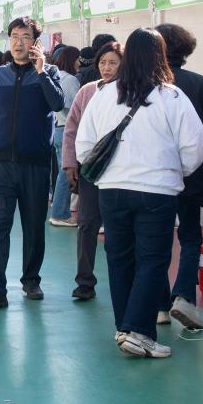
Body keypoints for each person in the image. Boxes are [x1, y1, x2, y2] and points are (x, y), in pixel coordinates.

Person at [75, 28, 203, 359]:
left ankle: (125, 328)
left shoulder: (104, 95)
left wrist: (109, 174)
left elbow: (84, 146)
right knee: (153, 260)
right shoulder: (172, 96)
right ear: (160, 56)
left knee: (119, 258)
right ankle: (140, 332)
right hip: (157, 192)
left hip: (112, 191)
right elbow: (195, 146)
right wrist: (177, 171)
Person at [0, 17, 65, 309]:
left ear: (36, 42)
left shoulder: (50, 72)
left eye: (25, 37)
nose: (18, 42)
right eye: (14, 36)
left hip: (36, 163)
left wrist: (41, 72)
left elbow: (56, 104)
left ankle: (31, 280)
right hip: (3, 163)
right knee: (0, 224)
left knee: (33, 226)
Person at [153, 23, 203, 332]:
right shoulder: (198, 82)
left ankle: (159, 305)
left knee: (156, 238)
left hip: (156, 172)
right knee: (190, 236)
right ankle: (184, 297)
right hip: (194, 171)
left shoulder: (146, 84)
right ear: (186, 50)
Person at [63, 41, 123, 300]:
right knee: (87, 224)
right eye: (102, 62)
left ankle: (120, 280)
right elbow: (71, 129)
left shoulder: (130, 93)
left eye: (112, 63)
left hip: (121, 173)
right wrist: (69, 163)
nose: (106, 68)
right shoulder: (88, 91)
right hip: (91, 170)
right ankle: (84, 281)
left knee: (117, 228)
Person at [48, 46, 81, 227]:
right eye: (78, 59)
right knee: (65, 171)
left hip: (57, 128)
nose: (79, 62)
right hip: (67, 128)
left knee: (61, 170)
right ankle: (60, 213)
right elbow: (78, 107)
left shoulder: (55, 76)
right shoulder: (70, 80)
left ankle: (59, 210)